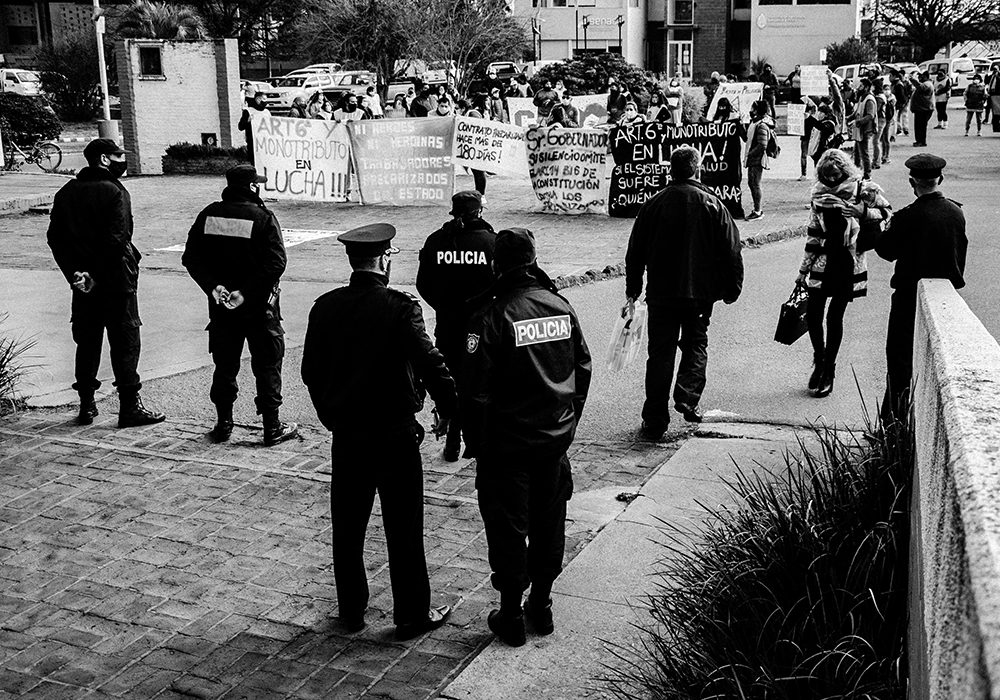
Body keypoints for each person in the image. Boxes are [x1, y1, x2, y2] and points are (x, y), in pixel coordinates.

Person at [301, 223, 456, 639]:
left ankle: (351, 609)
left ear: (353, 261)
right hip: (394, 433)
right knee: (403, 527)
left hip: (348, 434)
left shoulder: (325, 307)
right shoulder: (400, 307)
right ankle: (411, 614)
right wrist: (450, 408)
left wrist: (332, 418)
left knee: (347, 527)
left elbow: (310, 373)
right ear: (385, 259)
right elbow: (431, 363)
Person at [462, 228, 592, 647]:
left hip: (507, 449)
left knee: (509, 529)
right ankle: (543, 604)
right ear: (533, 259)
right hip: (553, 445)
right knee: (549, 526)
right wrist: (566, 427)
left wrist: (480, 446)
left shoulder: (489, 316)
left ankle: (512, 614)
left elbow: (475, 393)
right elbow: (582, 371)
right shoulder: (559, 306)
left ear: (496, 264)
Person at [624, 146, 744, 439]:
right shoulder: (713, 205)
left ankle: (654, 420)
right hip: (699, 294)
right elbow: (731, 251)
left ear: (671, 171)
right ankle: (687, 396)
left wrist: (633, 289)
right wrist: (732, 288)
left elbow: (634, 252)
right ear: (697, 169)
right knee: (695, 344)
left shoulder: (653, 205)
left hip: (662, 293)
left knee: (660, 354)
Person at [46, 138, 166, 428]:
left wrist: (76, 275)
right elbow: (117, 239)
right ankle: (129, 408)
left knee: (87, 342)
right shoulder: (115, 191)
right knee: (125, 342)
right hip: (115, 282)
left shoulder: (65, 193)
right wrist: (94, 275)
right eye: (116, 156)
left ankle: (87, 405)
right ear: (102, 159)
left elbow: (55, 238)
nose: (121, 161)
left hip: (83, 286)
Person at [181, 165, 297, 446]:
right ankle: (272, 427)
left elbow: (191, 257)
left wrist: (215, 287)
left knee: (224, 366)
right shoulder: (263, 217)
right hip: (258, 309)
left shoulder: (209, 214)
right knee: (267, 365)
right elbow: (276, 263)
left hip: (222, 309)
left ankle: (223, 425)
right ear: (252, 187)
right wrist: (245, 293)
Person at [874, 154, 966, 421]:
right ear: (941, 179)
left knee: (900, 360)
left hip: (908, 297)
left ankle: (894, 422)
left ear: (912, 182)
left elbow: (884, 249)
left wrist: (883, 225)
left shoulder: (909, 217)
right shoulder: (956, 212)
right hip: (946, 295)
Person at [795, 149, 891, 397]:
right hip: (823, 260)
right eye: (825, 176)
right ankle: (819, 358)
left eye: (835, 175)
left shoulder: (863, 190)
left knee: (834, 317)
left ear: (844, 171)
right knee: (814, 315)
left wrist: (862, 212)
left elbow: (888, 214)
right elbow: (814, 233)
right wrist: (802, 270)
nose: (830, 181)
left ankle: (829, 369)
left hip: (848, 260)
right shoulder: (819, 195)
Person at [416, 191, 497, 462]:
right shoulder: (491, 243)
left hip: (448, 326)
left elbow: (422, 284)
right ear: (479, 213)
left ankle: (451, 439)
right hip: (482, 329)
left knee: (450, 384)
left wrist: (443, 306)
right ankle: (476, 441)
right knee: (479, 384)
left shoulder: (436, 241)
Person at [744, 99, 774, 221]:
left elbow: (762, 145)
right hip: (753, 158)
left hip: (757, 159)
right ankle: (757, 209)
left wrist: (751, 154)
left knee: (755, 184)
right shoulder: (754, 123)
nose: (751, 110)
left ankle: (758, 211)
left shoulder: (761, 125)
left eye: (752, 108)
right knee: (752, 183)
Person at [458, 99, 489, 195]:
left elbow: (476, 128)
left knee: (478, 171)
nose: (456, 110)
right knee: (476, 172)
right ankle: (479, 193)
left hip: (477, 147)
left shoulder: (473, 114)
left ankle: (481, 194)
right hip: (473, 147)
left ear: (463, 108)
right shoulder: (469, 114)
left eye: (457, 108)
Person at [851, 78, 877, 180]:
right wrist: (849, 117)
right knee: (856, 153)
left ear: (866, 87)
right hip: (859, 129)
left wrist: (857, 121)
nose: (858, 88)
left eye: (861, 86)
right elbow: (857, 111)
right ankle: (857, 172)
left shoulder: (869, 99)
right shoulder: (862, 97)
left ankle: (867, 175)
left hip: (865, 130)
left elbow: (870, 115)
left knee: (864, 153)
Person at [238, 89, 268, 165]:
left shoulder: (267, 112)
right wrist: (247, 121)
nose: (265, 102)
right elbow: (240, 126)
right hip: (253, 142)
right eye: (264, 99)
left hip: (265, 142)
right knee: (254, 162)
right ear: (258, 99)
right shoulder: (248, 111)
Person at [909, 71, 934, 147]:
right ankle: (919, 140)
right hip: (920, 109)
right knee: (918, 126)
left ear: (926, 76)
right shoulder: (925, 84)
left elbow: (920, 87)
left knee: (921, 126)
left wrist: (913, 79)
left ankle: (922, 141)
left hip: (924, 109)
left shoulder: (928, 84)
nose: (920, 77)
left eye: (921, 76)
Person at [880, 83, 896, 164]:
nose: (886, 91)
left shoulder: (892, 98)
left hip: (889, 120)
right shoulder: (882, 97)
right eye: (885, 89)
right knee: (883, 139)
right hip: (883, 119)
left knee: (886, 139)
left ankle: (887, 156)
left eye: (888, 89)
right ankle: (883, 155)